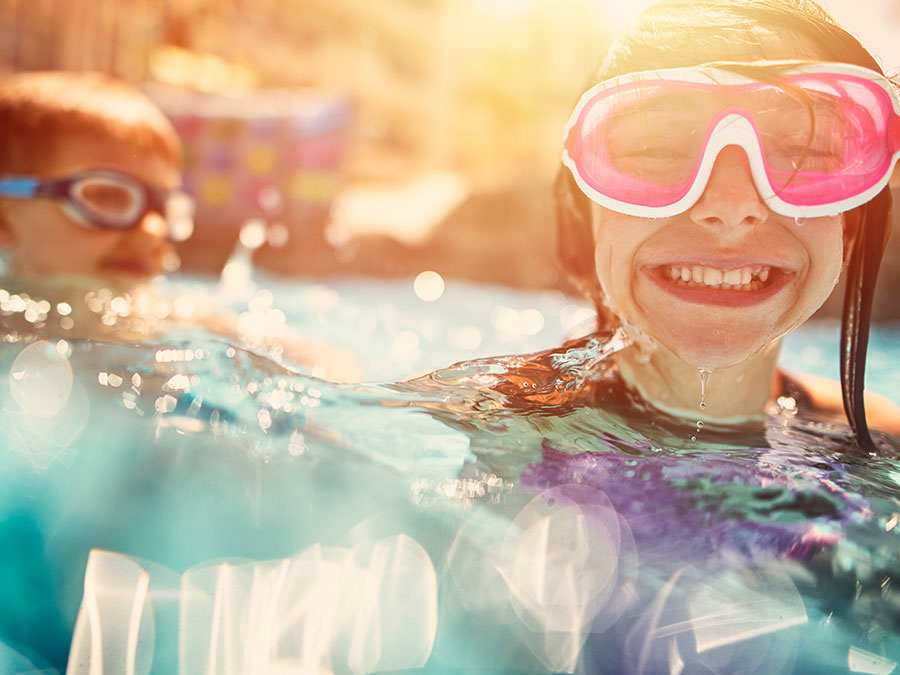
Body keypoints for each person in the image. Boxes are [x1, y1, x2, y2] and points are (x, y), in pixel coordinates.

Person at [549, 0, 900, 450]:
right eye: (655, 147)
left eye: (803, 150)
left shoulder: (878, 440)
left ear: (847, 229)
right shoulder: (507, 429)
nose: (731, 206)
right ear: (589, 216)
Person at [0, 70, 362, 382]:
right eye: (109, 197)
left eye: (164, 207)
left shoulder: (162, 312)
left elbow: (316, 361)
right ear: (4, 219)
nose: (152, 230)